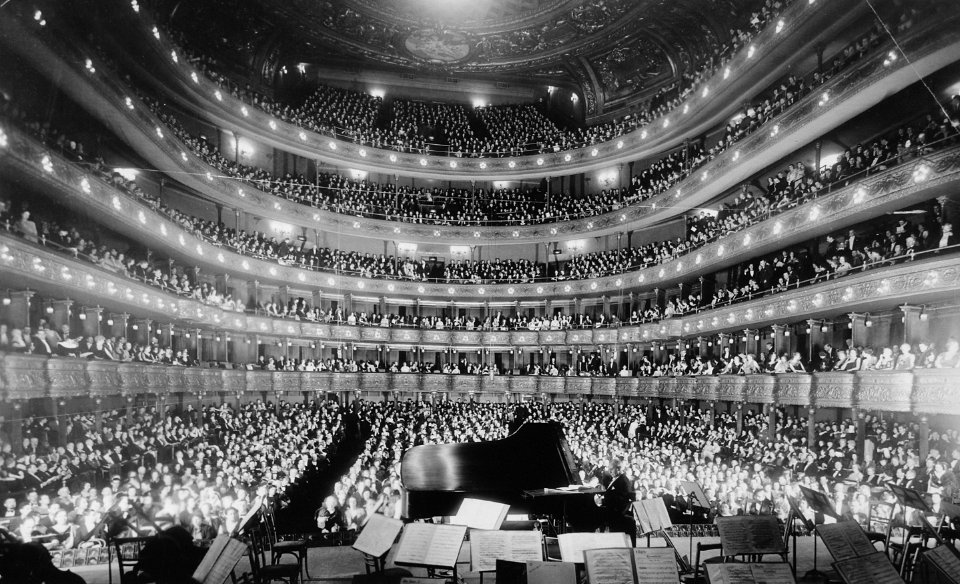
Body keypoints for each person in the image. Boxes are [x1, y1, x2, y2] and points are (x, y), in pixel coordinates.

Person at [594, 458, 636, 545]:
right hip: (614, 509)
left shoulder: (623, 480)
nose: (610, 471)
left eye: (611, 469)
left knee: (593, 516)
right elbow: (613, 494)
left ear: (618, 468)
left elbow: (620, 499)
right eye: (609, 469)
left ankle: (597, 542)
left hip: (617, 512)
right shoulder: (618, 478)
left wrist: (603, 501)